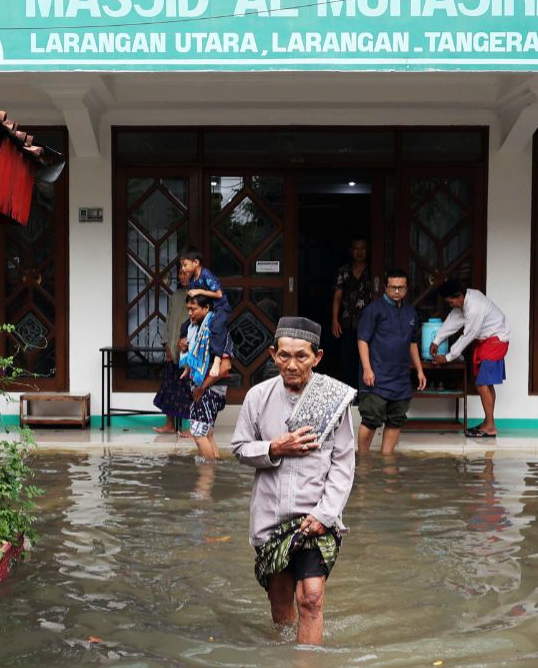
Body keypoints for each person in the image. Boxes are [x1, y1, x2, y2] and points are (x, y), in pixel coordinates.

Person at [231, 317, 357, 646]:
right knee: (280, 602)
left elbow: (343, 463)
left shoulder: (334, 401)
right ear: (273, 355)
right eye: (284, 355)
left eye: (301, 356)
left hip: (315, 518)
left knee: (311, 599)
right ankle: (286, 654)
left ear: (317, 357)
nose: (291, 364)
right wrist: (274, 447)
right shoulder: (257, 397)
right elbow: (239, 449)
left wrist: (325, 514)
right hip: (271, 519)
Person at [429, 279, 511, 439]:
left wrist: (448, 357)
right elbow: (454, 320)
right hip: (489, 342)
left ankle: (490, 427)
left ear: (459, 295)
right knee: (486, 384)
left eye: (451, 301)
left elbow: (469, 335)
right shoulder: (465, 299)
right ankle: (488, 422)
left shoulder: (474, 307)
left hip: (495, 341)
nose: (450, 304)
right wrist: (436, 339)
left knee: (482, 385)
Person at [356, 269, 426, 453]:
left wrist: (419, 370)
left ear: (406, 288)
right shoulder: (373, 310)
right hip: (376, 375)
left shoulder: (411, 312)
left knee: (396, 418)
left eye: (401, 288)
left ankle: (387, 460)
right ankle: (363, 460)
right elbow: (362, 339)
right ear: (385, 288)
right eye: (393, 287)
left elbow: (412, 343)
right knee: (371, 419)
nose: (397, 291)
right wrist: (367, 369)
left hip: (401, 376)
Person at [180, 294, 230, 460]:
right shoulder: (196, 331)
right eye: (188, 309)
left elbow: (225, 366)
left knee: (199, 434)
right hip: (204, 388)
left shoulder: (218, 333)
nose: (190, 313)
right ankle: (214, 472)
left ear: (207, 308)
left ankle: (206, 480)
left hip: (209, 388)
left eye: (193, 309)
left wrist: (202, 387)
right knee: (207, 434)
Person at [152, 270, 194, 437]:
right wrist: (167, 346)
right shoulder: (177, 296)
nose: (181, 276)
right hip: (174, 350)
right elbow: (169, 321)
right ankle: (169, 424)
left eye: (184, 273)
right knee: (170, 388)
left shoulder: (199, 295)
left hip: (190, 352)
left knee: (191, 390)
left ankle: (193, 427)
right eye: (180, 273)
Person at [180, 246, 232, 371]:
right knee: (185, 326)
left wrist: (200, 291)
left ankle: (217, 358)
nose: (183, 268)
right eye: (182, 265)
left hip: (221, 308)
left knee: (216, 327)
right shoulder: (192, 280)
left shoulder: (206, 275)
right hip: (208, 311)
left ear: (196, 262)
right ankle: (188, 360)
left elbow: (219, 294)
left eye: (185, 265)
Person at [331, 236, 372, 389]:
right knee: (348, 360)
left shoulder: (375, 270)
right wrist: (334, 319)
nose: (359, 252)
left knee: (368, 360)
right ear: (351, 251)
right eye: (356, 248)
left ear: (367, 250)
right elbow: (337, 297)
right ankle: (350, 394)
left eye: (363, 248)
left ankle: (365, 393)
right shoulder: (344, 271)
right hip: (348, 322)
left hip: (370, 323)